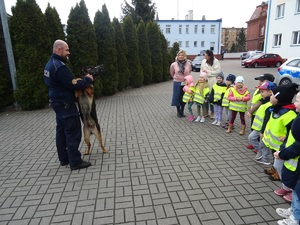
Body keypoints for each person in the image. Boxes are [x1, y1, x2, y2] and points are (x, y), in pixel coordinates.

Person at [44, 40, 94, 170]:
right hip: (65, 104)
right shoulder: (59, 67)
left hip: (57, 103)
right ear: (59, 50)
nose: (68, 53)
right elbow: (74, 85)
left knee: (61, 131)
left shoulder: (50, 64)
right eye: (67, 50)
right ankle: (75, 161)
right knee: (72, 131)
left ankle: (64, 158)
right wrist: (88, 80)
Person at [255, 83, 298, 188]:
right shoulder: (276, 109)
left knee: (280, 162)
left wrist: (286, 136)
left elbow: (294, 131)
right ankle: (276, 170)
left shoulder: (289, 114)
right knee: (275, 158)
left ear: (279, 98)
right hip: (274, 144)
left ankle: (280, 175)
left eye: (273, 95)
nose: (271, 96)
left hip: (282, 145)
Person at [275, 91, 300, 225]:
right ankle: (294, 210)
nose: (294, 103)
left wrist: (282, 154)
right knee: (296, 190)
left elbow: (298, 146)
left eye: (297, 101)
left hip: (295, 161)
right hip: (292, 159)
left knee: (297, 192)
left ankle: (295, 219)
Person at [246, 73, 275, 151]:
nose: (259, 82)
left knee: (259, 131)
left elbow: (259, 103)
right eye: (259, 80)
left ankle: (258, 146)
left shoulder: (266, 93)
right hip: (254, 113)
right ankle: (255, 144)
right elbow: (253, 100)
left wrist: (251, 111)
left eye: (262, 81)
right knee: (253, 128)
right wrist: (249, 109)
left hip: (258, 113)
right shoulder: (259, 89)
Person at [200, 50, 221, 119]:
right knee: (205, 96)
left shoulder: (216, 61)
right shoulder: (203, 61)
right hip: (205, 80)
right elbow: (201, 69)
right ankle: (206, 112)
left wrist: (208, 72)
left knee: (211, 96)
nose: (205, 57)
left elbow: (217, 72)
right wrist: (202, 75)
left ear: (210, 56)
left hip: (212, 80)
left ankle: (212, 112)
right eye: (204, 55)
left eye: (206, 56)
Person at [170, 50, 192, 118]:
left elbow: (189, 71)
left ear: (184, 56)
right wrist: (176, 78)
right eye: (179, 55)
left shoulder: (188, 64)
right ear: (177, 56)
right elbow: (172, 73)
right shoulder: (174, 64)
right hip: (177, 82)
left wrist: (186, 80)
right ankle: (178, 111)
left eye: (182, 55)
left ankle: (182, 110)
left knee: (184, 97)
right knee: (177, 97)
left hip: (185, 83)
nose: (181, 56)